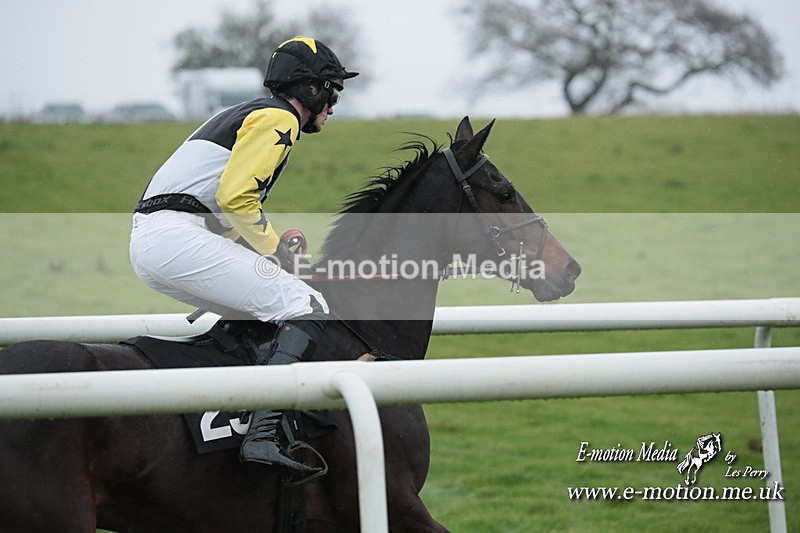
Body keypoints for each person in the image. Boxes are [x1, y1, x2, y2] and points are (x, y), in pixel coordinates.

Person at [129, 36, 358, 474]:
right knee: (306, 303)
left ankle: (230, 416)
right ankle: (262, 433)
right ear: (311, 89)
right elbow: (236, 198)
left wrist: (265, 252)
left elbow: (218, 206)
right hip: (176, 236)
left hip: (164, 238)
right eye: (332, 90)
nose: (333, 105)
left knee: (265, 310)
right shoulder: (280, 119)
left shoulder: (241, 112)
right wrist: (278, 254)